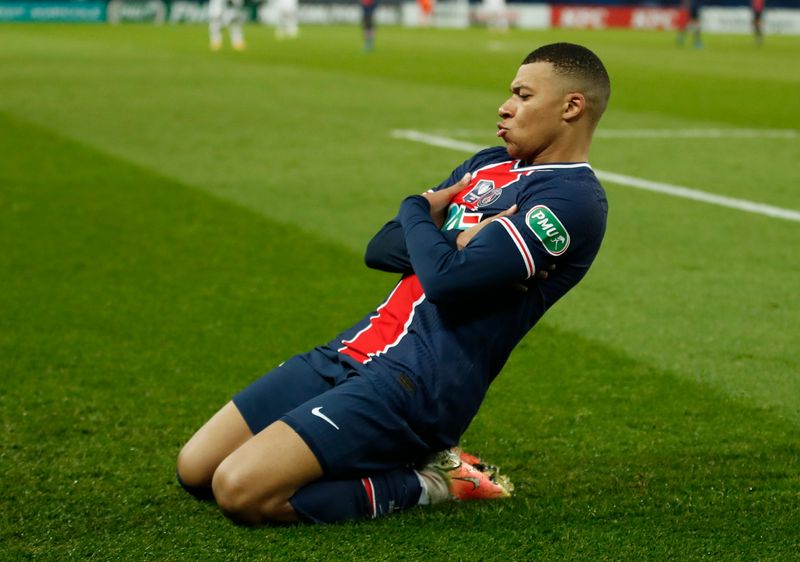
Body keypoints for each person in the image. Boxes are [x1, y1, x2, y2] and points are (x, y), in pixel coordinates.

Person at [177, 42, 611, 525]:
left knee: (240, 491)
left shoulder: (572, 201)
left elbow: (448, 281)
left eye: (523, 96)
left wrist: (417, 210)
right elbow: (381, 247)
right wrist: (453, 239)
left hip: (418, 384)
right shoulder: (490, 163)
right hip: (354, 349)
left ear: (572, 106)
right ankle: (389, 453)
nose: (505, 107)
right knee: (195, 469)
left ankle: (433, 483)